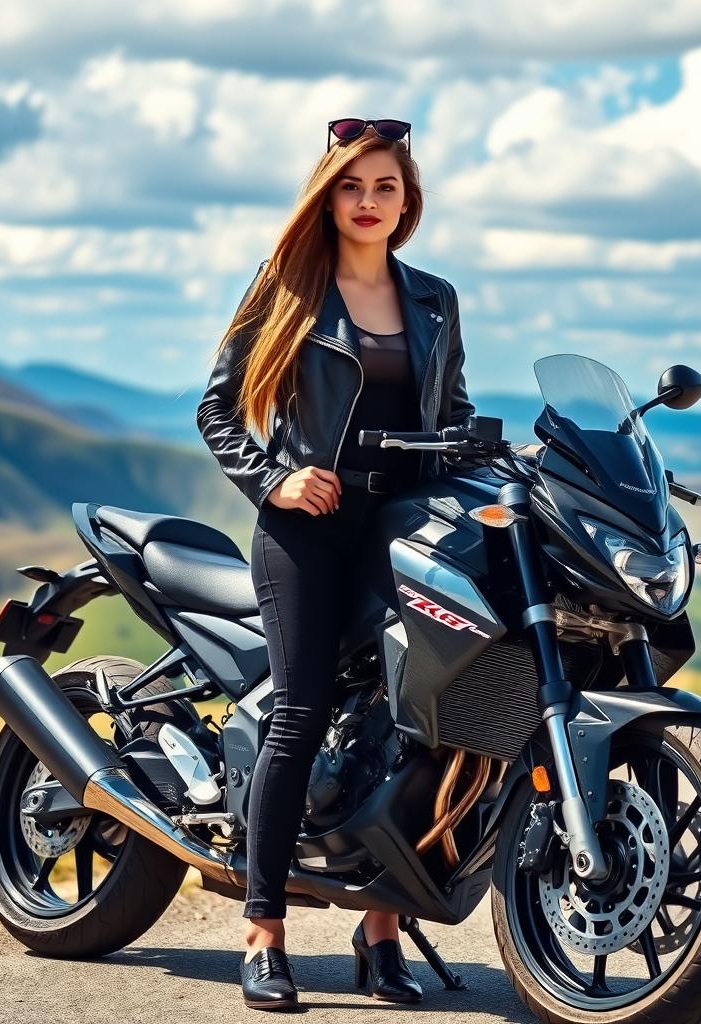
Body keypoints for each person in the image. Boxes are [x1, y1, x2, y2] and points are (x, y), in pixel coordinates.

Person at [195, 116, 474, 1011]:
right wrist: (276, 478)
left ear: (408, 200)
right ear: (328, 195)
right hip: (309, 528)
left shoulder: (434, 299)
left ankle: (379, 932)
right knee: (302, 712)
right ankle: (263, 931)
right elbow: (215, 410)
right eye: (352, 186)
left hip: (406, 527)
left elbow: (455, 413)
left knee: (413, 720)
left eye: (385, 186)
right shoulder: (288, 287)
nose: (368, 201)